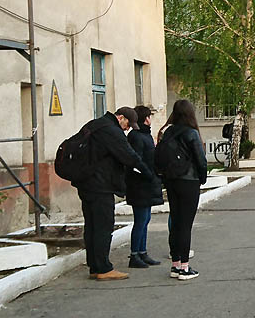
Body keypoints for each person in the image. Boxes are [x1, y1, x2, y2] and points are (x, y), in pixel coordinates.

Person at [70, 107, 155, 280]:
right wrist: (149, 175)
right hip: (100, 185)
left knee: (92, 226)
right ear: (120, 117)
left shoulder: (94, 125)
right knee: (103, 226)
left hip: (86, 183)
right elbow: (130, 156)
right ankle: (103, 268)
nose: (127, 128)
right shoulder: (111, 130)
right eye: (127, 124)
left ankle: (94, 265)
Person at [157, 99, 208, 281]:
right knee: (186, 225)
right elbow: (201, 159)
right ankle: (185, 268)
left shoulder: (168, 131)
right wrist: (203, 177)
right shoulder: (191, 133)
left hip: (171, 180)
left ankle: (175, 265)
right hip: (189, 181)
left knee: (176, 222)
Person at [125, 105, 164, 267]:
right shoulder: (135, 137)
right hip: (139, 185)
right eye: (147, 117)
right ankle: (135, 254)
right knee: (140, 220)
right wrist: (148, 174)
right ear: (141, 119)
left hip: (148, 184)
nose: (150, 120)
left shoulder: (145, 136)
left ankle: (142, 252)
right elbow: (136, 161)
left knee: (146, 219)